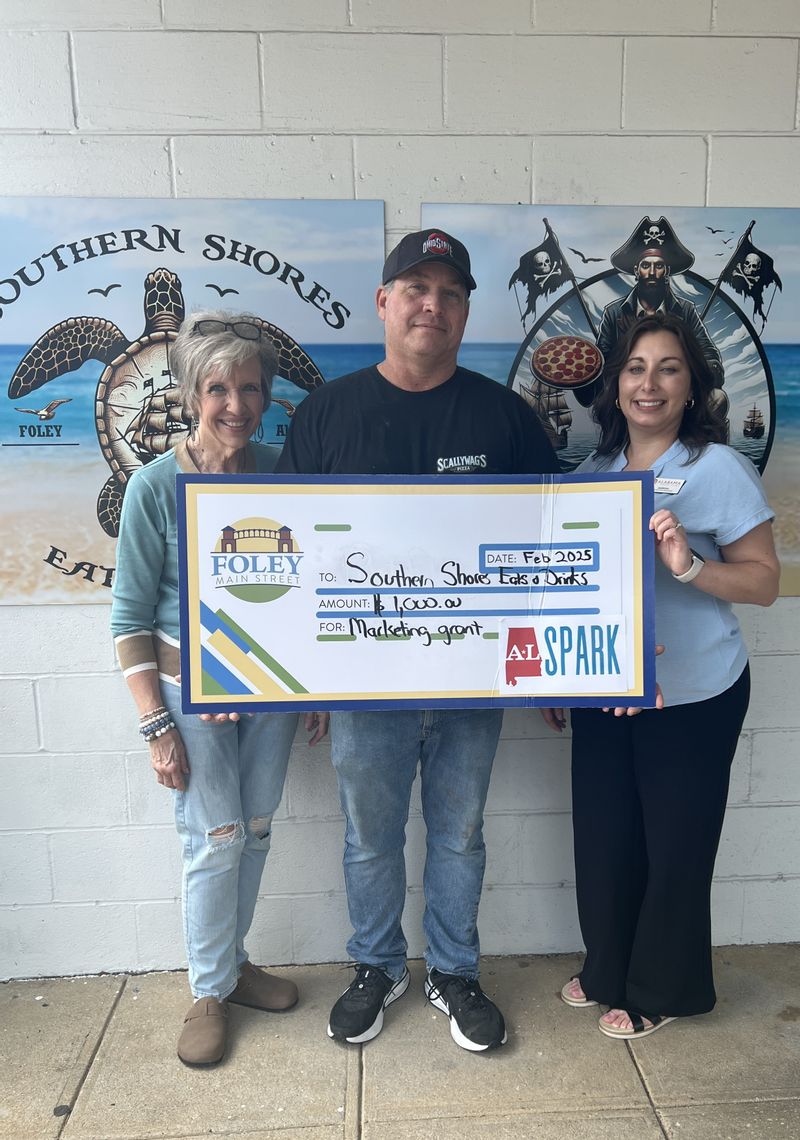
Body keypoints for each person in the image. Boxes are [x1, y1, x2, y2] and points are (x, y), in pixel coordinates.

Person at [276, 228, 560, 1052]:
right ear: (385, 303)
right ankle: (376, 966)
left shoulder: (503, 417)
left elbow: (552, 545)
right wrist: (305, 680)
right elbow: (295, 556)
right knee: (368, 838)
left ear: (466, 310)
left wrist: (548, 669)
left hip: (474, 683)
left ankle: (454, 970)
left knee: (460, 835)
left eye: (450, 293)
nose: (432, 305)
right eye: (416, 289)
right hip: (364, 687)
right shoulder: (328, 412)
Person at [543, 312, 779, 1040]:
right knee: (606, 835)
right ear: (614, 384)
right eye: (637, 367)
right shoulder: (593, 474)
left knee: (675, 844)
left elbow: (765, 581)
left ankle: (660, 986)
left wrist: (690, 566)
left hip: (694, 695)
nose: (650, 383)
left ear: (692, 384)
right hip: (607, 694)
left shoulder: (717, 469)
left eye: (669, 367)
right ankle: (609, 964)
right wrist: (560, 672)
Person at [111, 311, 327, 1067]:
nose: (235, 404)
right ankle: (206, 989)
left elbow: (308, 590)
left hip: (269, 697)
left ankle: (232, 968)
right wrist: (154, 725)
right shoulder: (154, 487)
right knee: (216, 841)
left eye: (250, 388)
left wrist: (315, 690)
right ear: (190, 393)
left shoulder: (280, 472)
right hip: (188, 700)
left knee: (257, 830)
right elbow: (128, 618)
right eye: (217, 389)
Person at [575, 215, 723, 408]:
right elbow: (602, 365)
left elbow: (710, 358)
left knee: (717, 398)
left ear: (667, 271)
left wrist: (687, 373)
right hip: (628, 395)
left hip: (675, 394)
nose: (652, 271)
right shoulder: (614, 313)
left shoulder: (685, 311)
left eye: (659, 266)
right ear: (637, 270)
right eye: (646, 265)